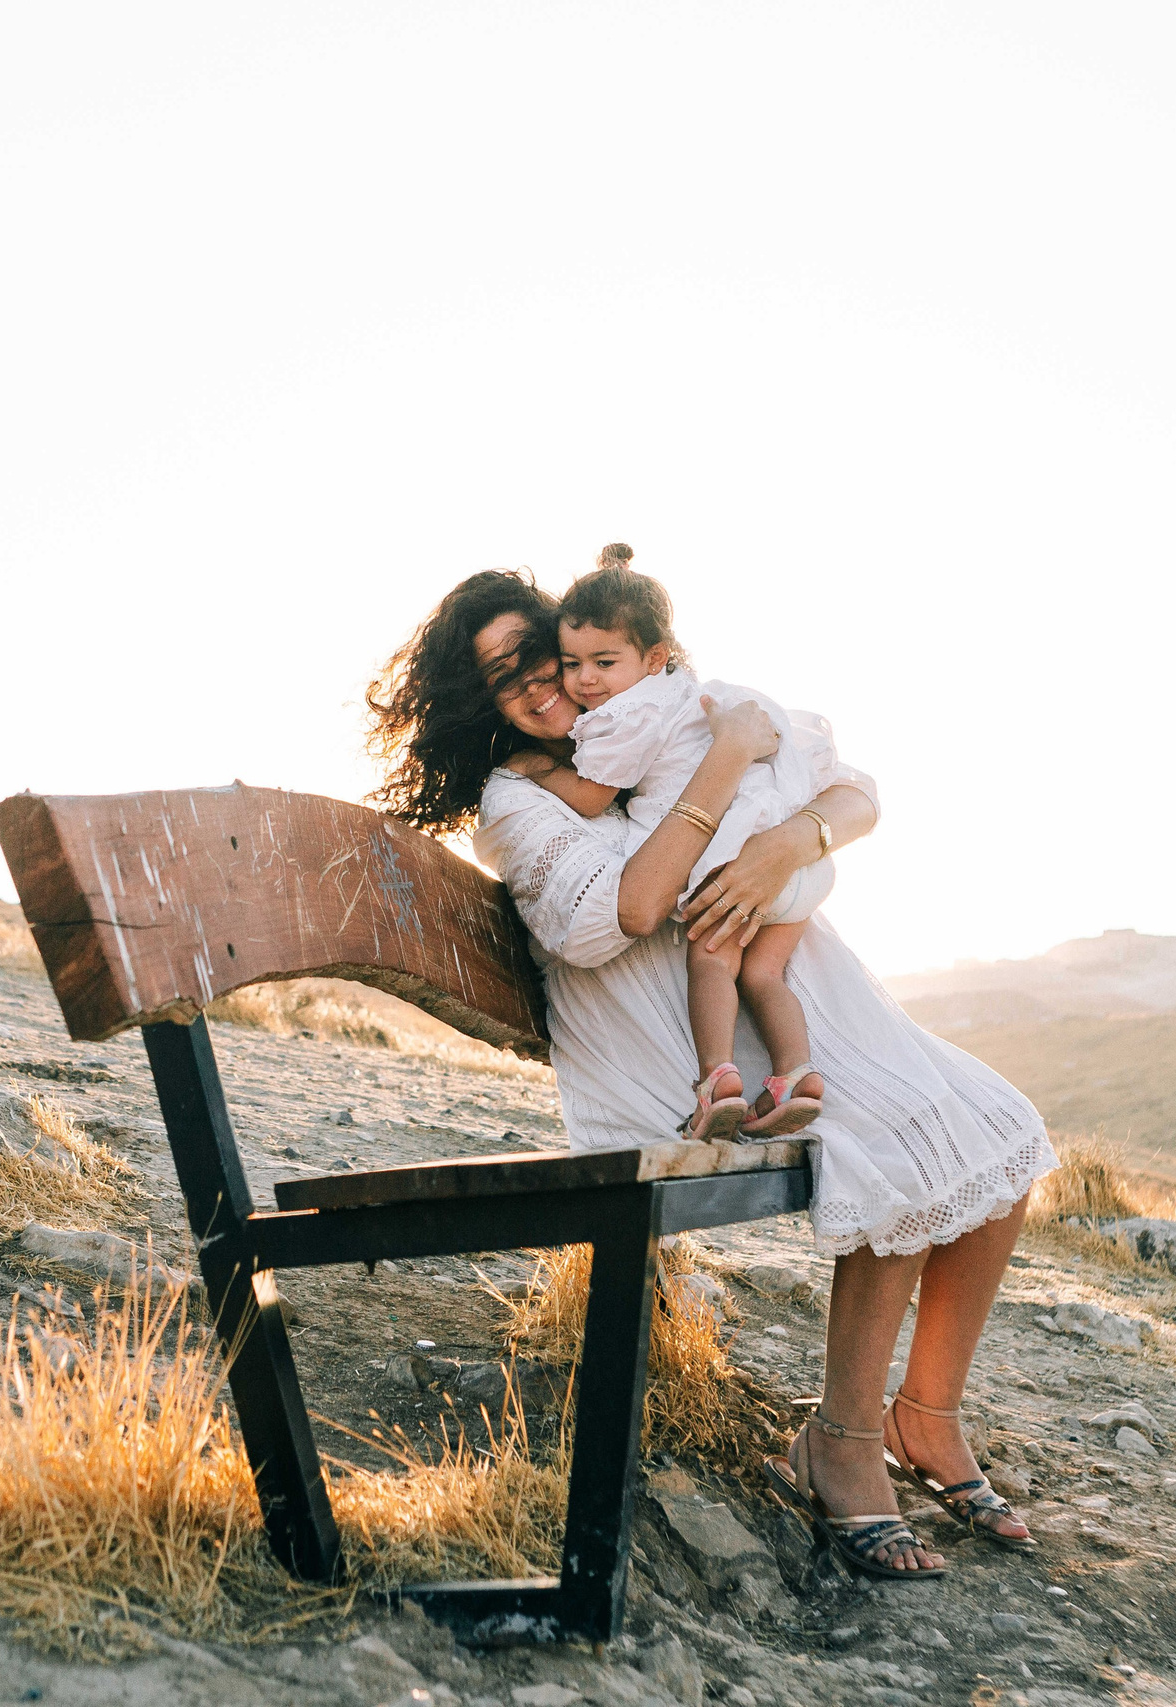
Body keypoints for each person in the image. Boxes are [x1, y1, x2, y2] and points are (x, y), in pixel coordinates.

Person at [368, 568, 1059, 1579]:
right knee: (904, 1136)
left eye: (547, 657)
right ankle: (843, 1444)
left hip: (780, 1007)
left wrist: (786, 841)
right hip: (666, 1054)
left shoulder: (658, 713)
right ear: (481, 700)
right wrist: (728, 761)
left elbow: (854, 791)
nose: (538, 684)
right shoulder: (516, 802)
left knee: (999, 1125)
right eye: (504, 673)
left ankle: (927, 1416)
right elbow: (632, 912)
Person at [505, 544, 833, 1140]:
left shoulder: (626, 714)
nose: (585, 680)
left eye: (604, 662)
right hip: (793, 869)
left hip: (729, 860)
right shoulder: (688, 690)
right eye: (572, 662)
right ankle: (796, 1077)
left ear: (654, 657)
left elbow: (594, 797)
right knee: (763, 977)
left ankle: (717, 1083)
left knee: (710, 962)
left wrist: (540, 771)